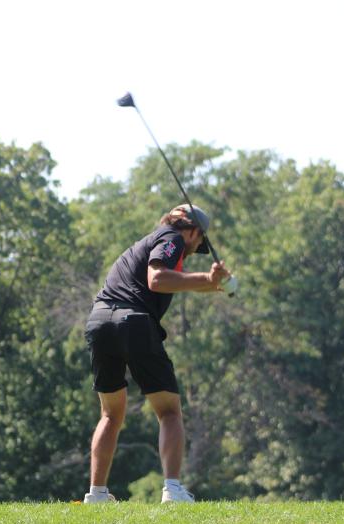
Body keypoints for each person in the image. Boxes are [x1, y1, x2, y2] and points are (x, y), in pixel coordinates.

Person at [81, 204, 232, 504]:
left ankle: (96, 495)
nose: (198, 246)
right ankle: (173, 490)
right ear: (190, 230)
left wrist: (212, 284)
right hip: (134, 322)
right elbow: (157, 280)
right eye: (200, 240)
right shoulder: (173, 239)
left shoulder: (148, 241)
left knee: (110, 414)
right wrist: (207, 280)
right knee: (169, 411)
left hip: (99, 322)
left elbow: (170, 279)